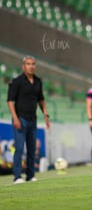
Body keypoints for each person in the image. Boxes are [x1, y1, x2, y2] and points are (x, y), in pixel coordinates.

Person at [7, 56, 50, 184]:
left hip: (33, 119)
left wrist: (46, 115)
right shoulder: (17, 81)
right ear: (23, 66)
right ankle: (17, 177)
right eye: (28, 64)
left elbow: (41, 99)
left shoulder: (38, 81)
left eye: (33, 64)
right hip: (20, 118)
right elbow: (10, 101)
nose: (31, 66)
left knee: (32, 149)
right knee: (19, 148)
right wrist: (15, 118)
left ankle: (30, 175)